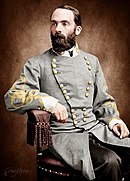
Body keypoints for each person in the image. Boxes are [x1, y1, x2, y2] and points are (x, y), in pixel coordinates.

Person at [4, 5, 130, 181]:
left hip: (95, 129)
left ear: (77, 29)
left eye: (64, 24)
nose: (58, 29)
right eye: (54, 24)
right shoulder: (37, 63)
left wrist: (113, 120)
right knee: (110, 161)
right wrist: (49, 102)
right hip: (64, 136)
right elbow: (12, 97)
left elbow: (103, 101)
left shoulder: (91, 62)